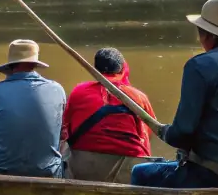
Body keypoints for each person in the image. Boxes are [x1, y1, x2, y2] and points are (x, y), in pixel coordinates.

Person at [130, 0, 218, 189]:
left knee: (140, 172)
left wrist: (167, 132)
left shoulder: (199, 66)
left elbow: (183, 132)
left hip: (211, 173)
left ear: (207, 35)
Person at [0, 40, 67, 178]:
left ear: (10, 67)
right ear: (35, 64)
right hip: (48, 175)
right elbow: (62, 136)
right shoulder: (57, 90)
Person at [60, 48, 156, 183]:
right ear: (122, 68)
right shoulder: (139, 97)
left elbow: (65, 127)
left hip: (85, 166)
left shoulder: (79, 92)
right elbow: (149, 133)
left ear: (96, 70)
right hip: (129, 168)